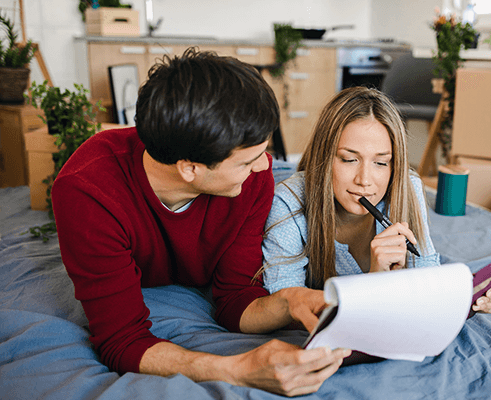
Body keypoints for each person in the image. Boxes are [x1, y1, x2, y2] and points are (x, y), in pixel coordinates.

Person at [51, 48, 349, 397]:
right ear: (190, 167)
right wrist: (236, 370)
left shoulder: (253, 181)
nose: (264, 167)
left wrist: (290, 301)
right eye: (247, 160)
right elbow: (122, 340)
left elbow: (236, 297)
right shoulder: (88, 192)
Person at [261, 87, 491, 331]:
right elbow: (285, 304)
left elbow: (427, 279)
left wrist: (474, 296)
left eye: (381, 163)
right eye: (349, 159)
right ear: (324, 157)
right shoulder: (289, 203)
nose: (365, 180)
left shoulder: (407, 188)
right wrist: (373, 283)